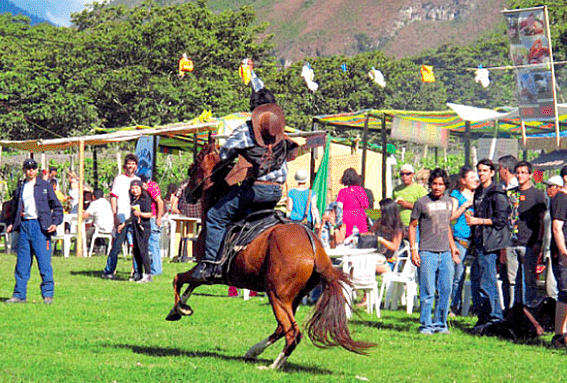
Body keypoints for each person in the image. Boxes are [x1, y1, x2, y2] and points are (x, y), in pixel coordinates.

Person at [191, 89, 299, 282]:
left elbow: (224, 154)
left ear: (254, 111)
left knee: (215, 216)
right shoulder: (279, 131)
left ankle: (210, 266)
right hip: (277, 192)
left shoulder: (247, 129)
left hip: (256, 190)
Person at [5, 158, 63, 304]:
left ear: (37, 170)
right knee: (22, 264)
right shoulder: (20, 188)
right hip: (24, 226)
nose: (30, 171)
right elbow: (14, 208)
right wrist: (12, 223)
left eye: (33, 168)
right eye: (28, 169)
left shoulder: (45, 186)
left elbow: (57, 207)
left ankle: (48, 295)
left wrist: (55, 223)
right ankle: (19, 294)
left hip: (40, 227)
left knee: (44, 263)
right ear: (24, 170)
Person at [409, 168, 460, 335]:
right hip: (427, 252)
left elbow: (446, 227)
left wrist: (453, 249)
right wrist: (413, 249)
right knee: (427, 291)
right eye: (435, 184)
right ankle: (426, 325)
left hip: (445, 253)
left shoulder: (448, 202)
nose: (437, 187)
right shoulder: (421, 203)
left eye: (441, 184)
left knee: (445, 290)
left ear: (446, 186)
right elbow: (412, 226)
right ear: (430, 184)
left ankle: (440, 324)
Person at [467, 159, 511, 329]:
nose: (481, 174)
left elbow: (501, 220)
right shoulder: (479, 191)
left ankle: (495, 317)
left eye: (485, 170)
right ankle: (484, 316)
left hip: (490, 242)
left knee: (488, 281)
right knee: (478, 281)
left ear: (492, 172)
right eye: (479, 170)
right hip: (479, 241)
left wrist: (479, 220)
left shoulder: (497, 192)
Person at [505, 161, 546, 308]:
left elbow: (542, 221)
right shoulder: (511, 194)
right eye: (518, 172)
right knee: (512, 280)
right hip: (511, 242)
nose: (520, 175)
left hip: (529, 243)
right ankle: (513, 309)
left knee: (529, 279)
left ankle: (530, 308)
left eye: (524, 172)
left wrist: (538, 242)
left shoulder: (538, 194)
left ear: (530, 175)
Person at [101, 154, 140, 279]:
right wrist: (115, 215)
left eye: (133, 164)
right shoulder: (119, 179)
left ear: (136, 166)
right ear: (125, 165)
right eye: (129, 163)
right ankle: (109, 271)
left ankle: (136, 272)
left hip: (133, 217)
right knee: (116, 245)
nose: (130, 166)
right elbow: (113, 197)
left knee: (135, 247)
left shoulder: (138, 180)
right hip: (121, 217)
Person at [449, 166, 478, 315]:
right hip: (460, 239)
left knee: (476, 275)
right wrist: (466, 205)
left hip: (476, 239)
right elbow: (452, 216)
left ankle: (474, 306)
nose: (475, 180)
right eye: (472, 178)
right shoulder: (456, 195)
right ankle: (455, 306)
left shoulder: (479, 194)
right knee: (458, 275)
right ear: (463, 180)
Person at [551, 166, 567, 347]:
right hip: (565, 253)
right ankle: (559, 335)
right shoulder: (561, 198)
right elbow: (557, 227)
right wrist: (563, 252)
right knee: (564, 292)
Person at [125, 180, 153, 283]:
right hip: (135, 227)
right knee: (136, 251)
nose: (134, 190)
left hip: (143, 227)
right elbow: (133, 215)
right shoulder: (134, 200)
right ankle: (139, 273)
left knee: (143, 250)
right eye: (132, 188)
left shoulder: (145, 199)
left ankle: (148, 274)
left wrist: (140, 214)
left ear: (141, 188)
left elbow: (150, 214)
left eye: (136, 188)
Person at [369, 198, 404, 274]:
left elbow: (394, 247)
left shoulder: (397, 228)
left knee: (366, 266)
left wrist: (381, 239)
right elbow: (370, 232)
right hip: (378, 257)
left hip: (390, 261)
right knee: (360, 263)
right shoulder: (380, 222)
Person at [140, 174, 165, 276]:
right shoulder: (152, 186)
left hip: (152, 219)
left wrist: (158, 218)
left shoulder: (151, 187)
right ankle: (155, 268)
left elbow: (160, 201)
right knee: (153, 245)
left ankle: (156, 270)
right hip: (150, 218)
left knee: (152, 245)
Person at [543, 175, 562, 300]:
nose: (548, 189)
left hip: (559, 251)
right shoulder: (548, 204)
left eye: (551, 186)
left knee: (556, 287)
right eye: (547, 186)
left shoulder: (561, 205)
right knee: (550, 287)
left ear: (559, 188)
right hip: (549, 251)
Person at [393, 164, 427, 230]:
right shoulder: (396, 190)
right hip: (400, 225)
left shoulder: (420, 189)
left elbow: (425, 207)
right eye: (402, 174)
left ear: (412, 175)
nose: (404, 176)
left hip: (416, 226)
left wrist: (407, 205)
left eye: (407, 174)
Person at [336, 168, 369, 237]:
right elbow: (366, 205)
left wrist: (338, 222)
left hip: (347, 218)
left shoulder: (342, 192)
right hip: (360, 217)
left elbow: (339, 207)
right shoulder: (360, 190)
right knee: (362, 239)